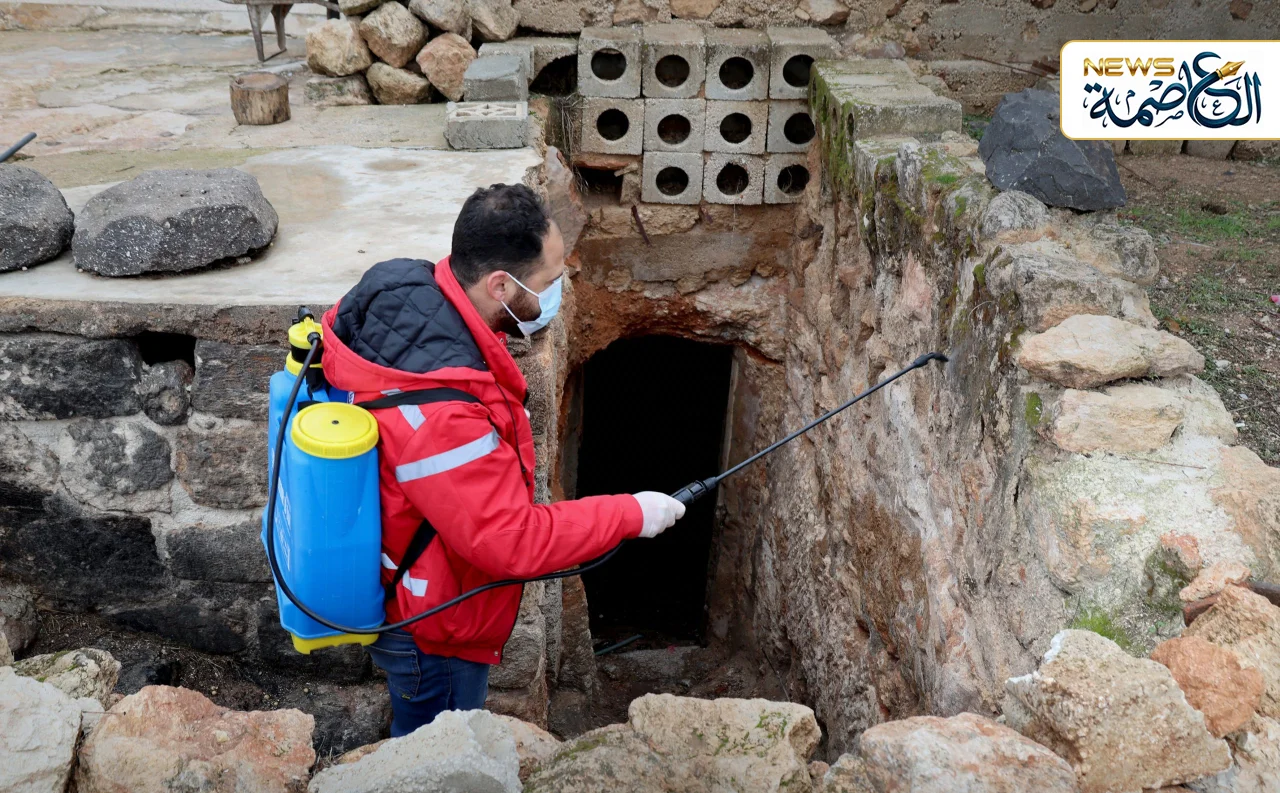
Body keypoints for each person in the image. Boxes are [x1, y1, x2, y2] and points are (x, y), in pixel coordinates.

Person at [320, 183, 686, 737]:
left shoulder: (411, 296)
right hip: (435, 630)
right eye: (549, 281)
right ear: (500, 285)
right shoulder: (442, 417)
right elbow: (509, 540)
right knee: (439, 753)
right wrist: (632, 513)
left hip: (421, 579)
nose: (557, 291)